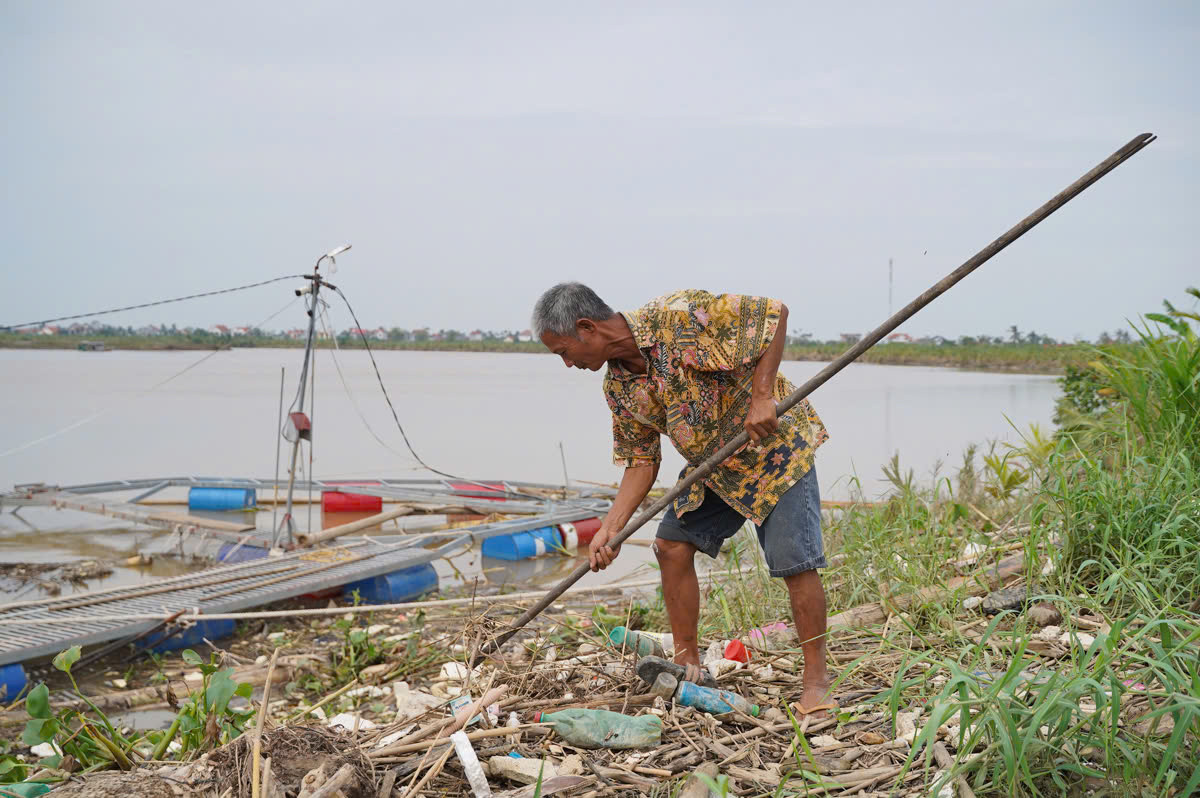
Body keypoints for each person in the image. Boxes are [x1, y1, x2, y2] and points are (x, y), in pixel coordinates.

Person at [533, 282, 835, 716]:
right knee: (671, 545)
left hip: (773, 452)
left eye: (564, 351)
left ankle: (816, 683)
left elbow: (774, 315)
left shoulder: (680, 317)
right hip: (714, 465)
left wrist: (763, 395)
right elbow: (639, 461)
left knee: (794, 561)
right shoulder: (618, 388)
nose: (567, 364)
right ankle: (687, 662)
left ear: (587, 328)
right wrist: (610, 528)